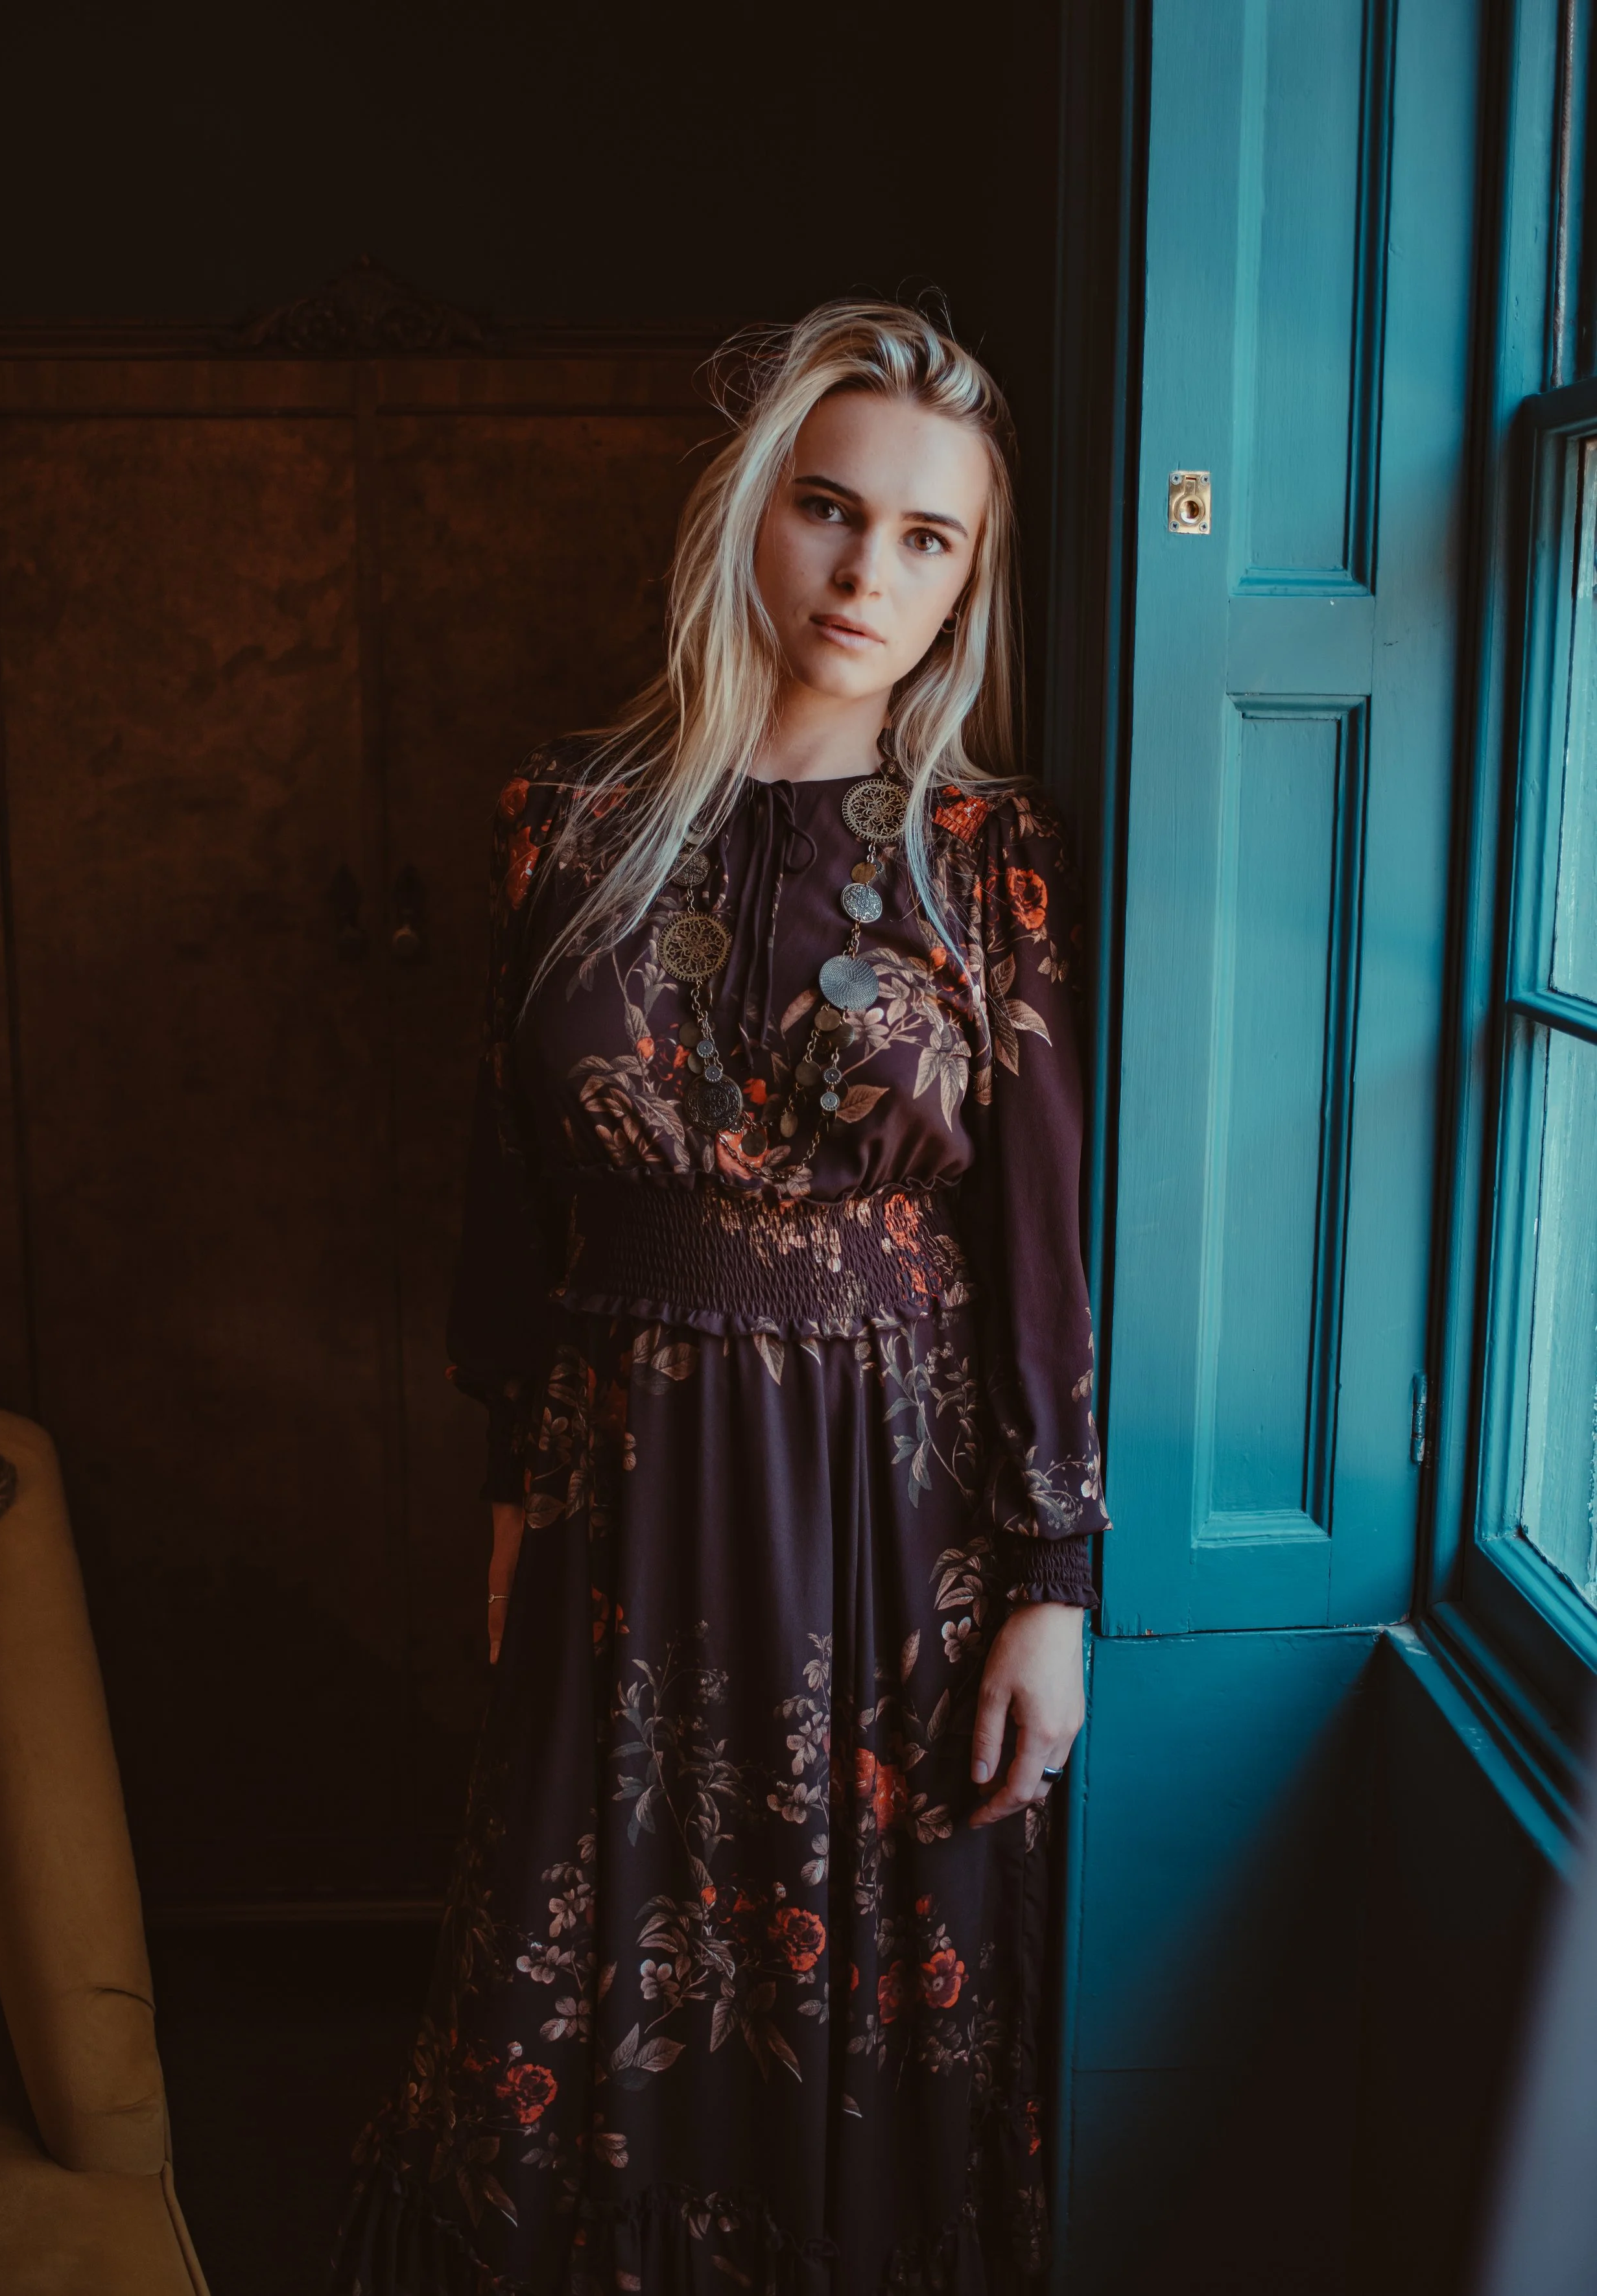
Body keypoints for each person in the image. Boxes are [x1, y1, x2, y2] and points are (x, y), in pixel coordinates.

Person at [332, 299, 1109, 2296]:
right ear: (749, 516)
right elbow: (507, 1195)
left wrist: (1049, 1585)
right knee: (563, 1957)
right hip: (614, 1473)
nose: (868, 574)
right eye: (830, 511)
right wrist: (511, 1477)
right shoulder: (568, 820)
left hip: (894, 1493)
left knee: (855, 1976)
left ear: (968, 578)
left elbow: (1033, 1242)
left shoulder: (980, 854)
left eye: (927, 539)